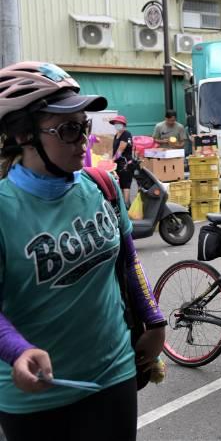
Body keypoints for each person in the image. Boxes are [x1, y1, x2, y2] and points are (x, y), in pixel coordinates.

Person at [0, 62, 166, 440]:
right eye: (69, 129)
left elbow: (128, 262)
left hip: (115, 376)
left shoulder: (101, 185)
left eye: (85, 126)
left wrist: (154, 320)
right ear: (24, 135)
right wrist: (17, 351)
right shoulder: (4, 210)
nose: (84, 141)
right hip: (37, 395)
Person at [110, 115, 133, 206]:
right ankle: (124, 204)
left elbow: (120, 150)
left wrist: (112, 160)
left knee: (125, 185)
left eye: (119, 124)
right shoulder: (116, 135)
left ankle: (126, 206)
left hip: (125, 163)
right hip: (118, 163)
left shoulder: (126, 134)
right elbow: (115, 150)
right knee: (119, 184)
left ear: (123, 125)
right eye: (115, 124)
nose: (117, 125)